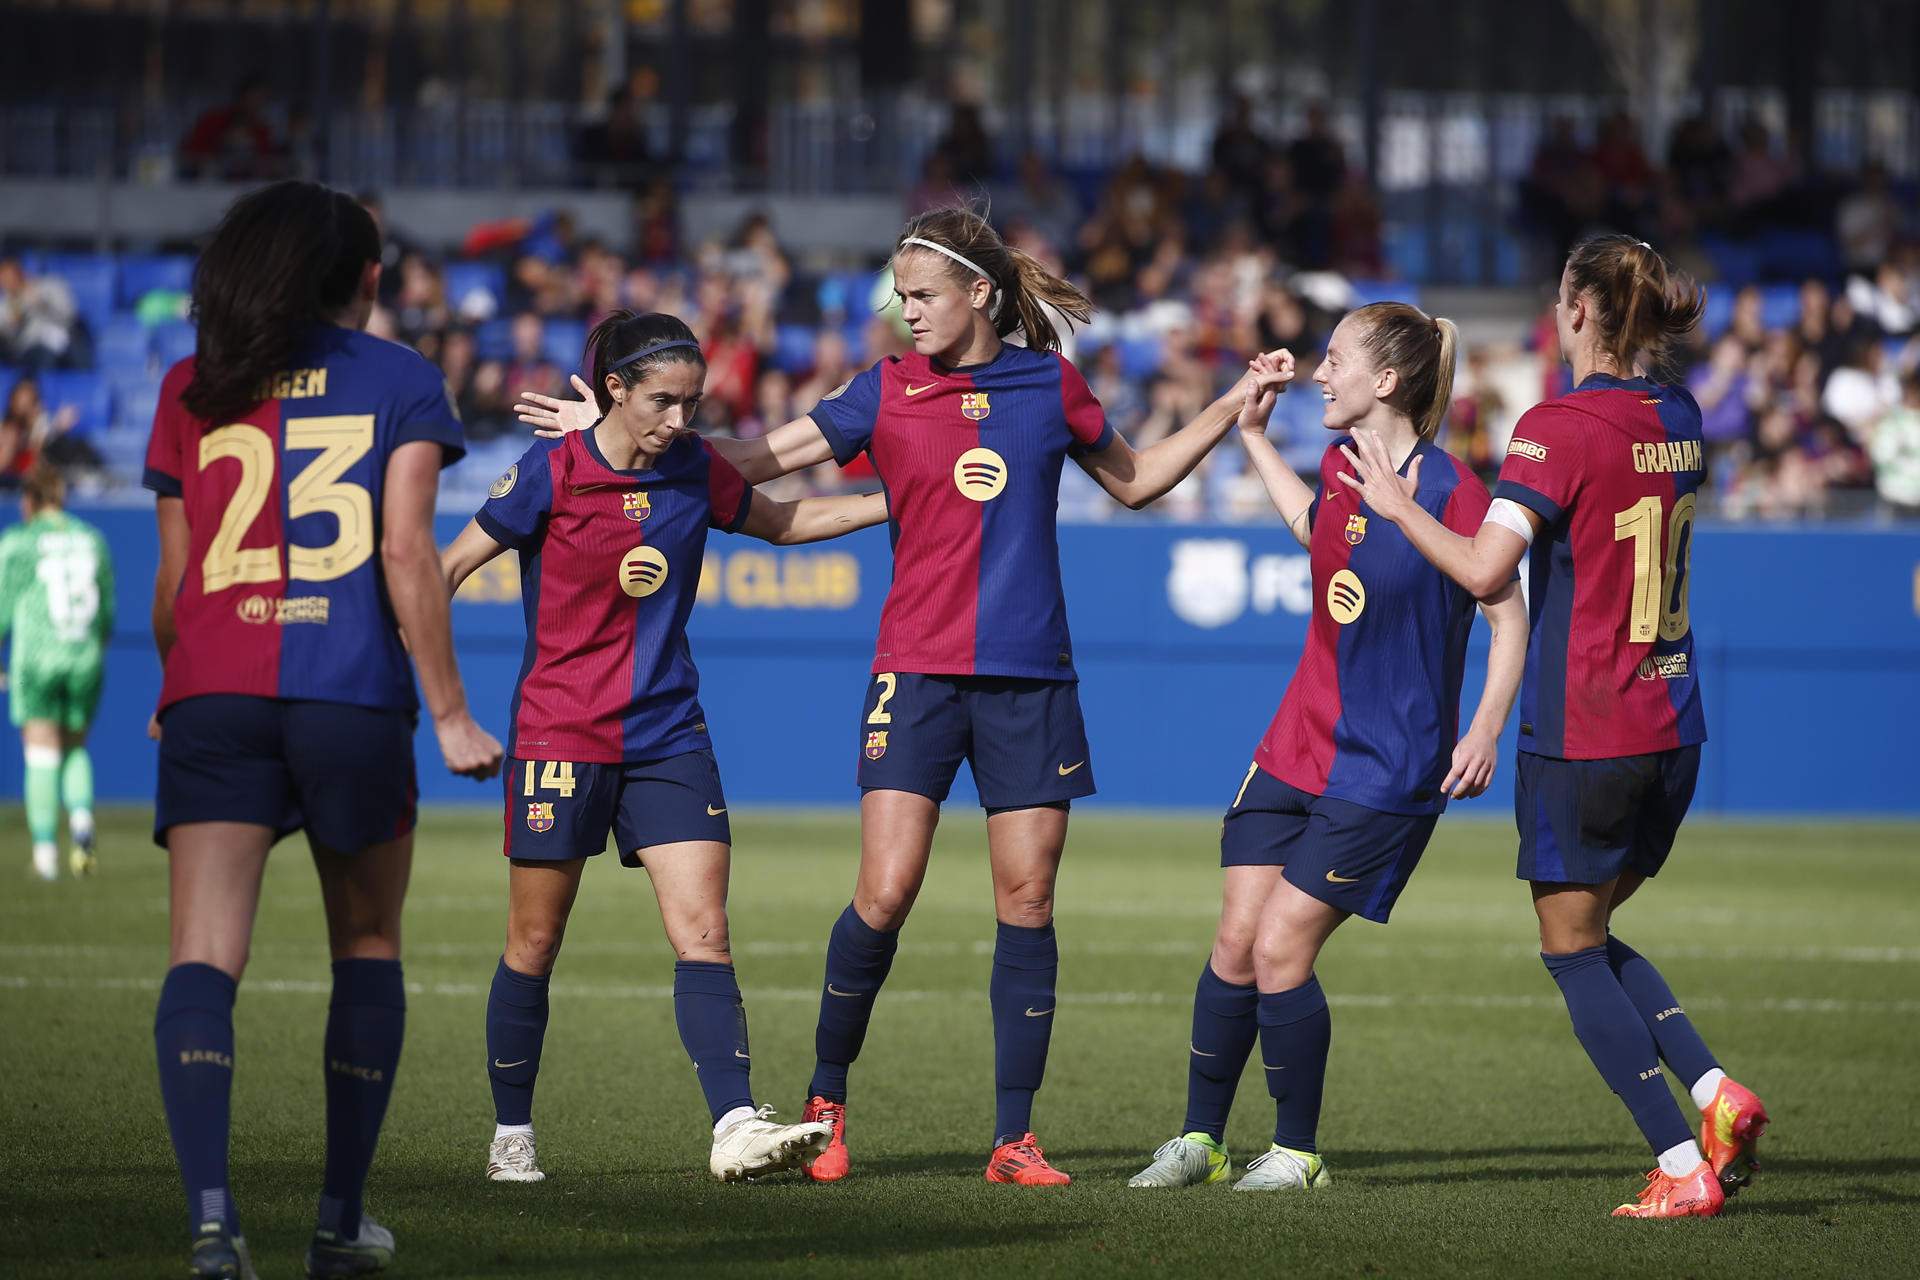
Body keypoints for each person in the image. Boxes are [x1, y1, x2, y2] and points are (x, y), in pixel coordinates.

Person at [516, 206, 1270, 1186]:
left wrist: (1228, 407)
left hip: (1029, 677)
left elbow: (1135, 482)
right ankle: (827, 1102)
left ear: (979, 295)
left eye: (921, 294)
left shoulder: (1049, 384)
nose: (904, 311)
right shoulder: (885, 388)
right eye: (899, 295)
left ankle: (1013, 1138)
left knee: (1028, 899)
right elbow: (750, 461)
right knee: (884, 892)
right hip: (912, 673)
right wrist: (610, 433)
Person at [1337, 234, 1770, 1219]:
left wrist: (1402, 506)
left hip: (1589, 726)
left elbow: (1488, 571)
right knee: (1592, 924)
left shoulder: (1556, 425)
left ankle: (1679, 1160)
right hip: (1674, 721)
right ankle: (1714, 1092)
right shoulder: (1682, 413)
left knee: (1570, 948)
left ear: (1574, 308)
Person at [143, 180, 502, 1279]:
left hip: (213, 689)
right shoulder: (399, 377)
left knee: (205, 956)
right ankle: (339, 1223)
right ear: (367, 279)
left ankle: (213, 1223)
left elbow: (173, 586)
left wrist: (191, 689)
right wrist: (448, 710)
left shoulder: (192, 383)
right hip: (349, 690)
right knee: (368, 947)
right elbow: (404, 555)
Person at [441, 310, 890, 1186]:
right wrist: (431, 693)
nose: (680, 421)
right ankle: (512, 1132)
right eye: (663, 402)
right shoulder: (552, 470)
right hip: (561, 734)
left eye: (692, 402)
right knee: (535, 942)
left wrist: (900, 500)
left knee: (705, 933)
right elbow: (449, 565)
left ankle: (733, 1126)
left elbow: (784, 523)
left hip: (667, 732)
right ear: (614, 390)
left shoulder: (693, 468)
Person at [1126, 307, 1527, 1192]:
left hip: (1387, 767)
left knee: (1280, 951)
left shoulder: (1457, 490)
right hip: (1293, 748)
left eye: (1335, 359)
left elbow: (1506, 610)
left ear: (1385, 381)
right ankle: (1200, 1141)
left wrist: (1487, 726)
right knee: (1234, 943)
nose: (1319, 372)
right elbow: (1320, 531)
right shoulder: (1344, 467)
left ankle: (1298, 1152)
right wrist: (1254, 438)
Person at [0, 461, 113, 879]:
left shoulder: (19, 542)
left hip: (38, 656)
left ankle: (46, 855)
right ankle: (82, 826)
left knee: (41, 750)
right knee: (76, 745)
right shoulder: (91, 539)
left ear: (29, 501)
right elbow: (107, 609)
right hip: (84, 654)